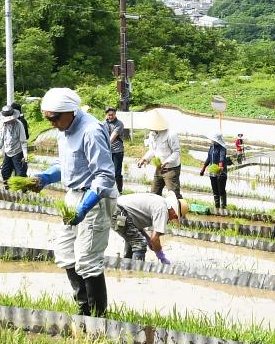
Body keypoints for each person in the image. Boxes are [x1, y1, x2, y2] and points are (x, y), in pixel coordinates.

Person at [28, 86, 117, 316]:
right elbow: (67, 167)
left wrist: (85, 206)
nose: (51, 123)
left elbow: (105, 176)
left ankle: (97, 317)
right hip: (73, 194)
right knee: (65, 251)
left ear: (70, 112)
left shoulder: (91, 131)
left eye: (54, 118)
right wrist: (45, 177)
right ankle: (84, 306)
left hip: (95, 198)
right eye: (47, 119)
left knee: (88, 258)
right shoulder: (63, 130)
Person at [114, 190, 181, 264]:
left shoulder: (159, 201)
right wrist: (161, 257)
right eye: (175, 216)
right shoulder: (162, 210)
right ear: (173, 210)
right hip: (119, 213)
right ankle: (136, 272)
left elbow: (135, 225)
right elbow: (154, 239)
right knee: (140, 244)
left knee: (133, 240)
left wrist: (147, 238)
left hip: (116, 208)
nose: (172, 219)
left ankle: (127, 266)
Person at [140, 113, 183, 202]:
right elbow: (152, 150)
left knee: (174, 195)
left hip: (171, 169)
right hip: (159, 167)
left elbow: (176, 152)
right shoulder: (152, 134)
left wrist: (166, 162)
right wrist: (144, 159)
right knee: (154, 194)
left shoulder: (171, 134)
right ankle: (157, 213)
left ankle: (181, 214)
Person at [0, 101, 30, 184]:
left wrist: (25, 155)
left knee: (20, 174)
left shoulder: (19, 124)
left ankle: (22, 192)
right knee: (4, 173)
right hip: (8, 152)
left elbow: (23, 141)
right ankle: (7, 189)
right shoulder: (2, 124)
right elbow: (1, 141)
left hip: (18, 152)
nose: (7, 121)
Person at [202, 133, 231, 213]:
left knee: (221, 190)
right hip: (212, 173)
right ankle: (217, 208)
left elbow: (222, 157)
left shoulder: (222, 148)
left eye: (213, 139)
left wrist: (220, 167)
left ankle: (223, 208)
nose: (211, 140)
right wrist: (203, 168)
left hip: (221, 173)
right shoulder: (211, 147)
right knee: (215, 190)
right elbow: (208, 158)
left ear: (216, 140)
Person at [105, 106, 130, 193]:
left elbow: (111, 139)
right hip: (107, 151)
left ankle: (119, 191)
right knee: (107, 172)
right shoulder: (104, 123)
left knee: (116, 173)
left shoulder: (119, 124)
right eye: (108, 115)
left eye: (112, 115)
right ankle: (109, 190)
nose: (110, 117)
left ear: (115, 114)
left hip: (117, 151)